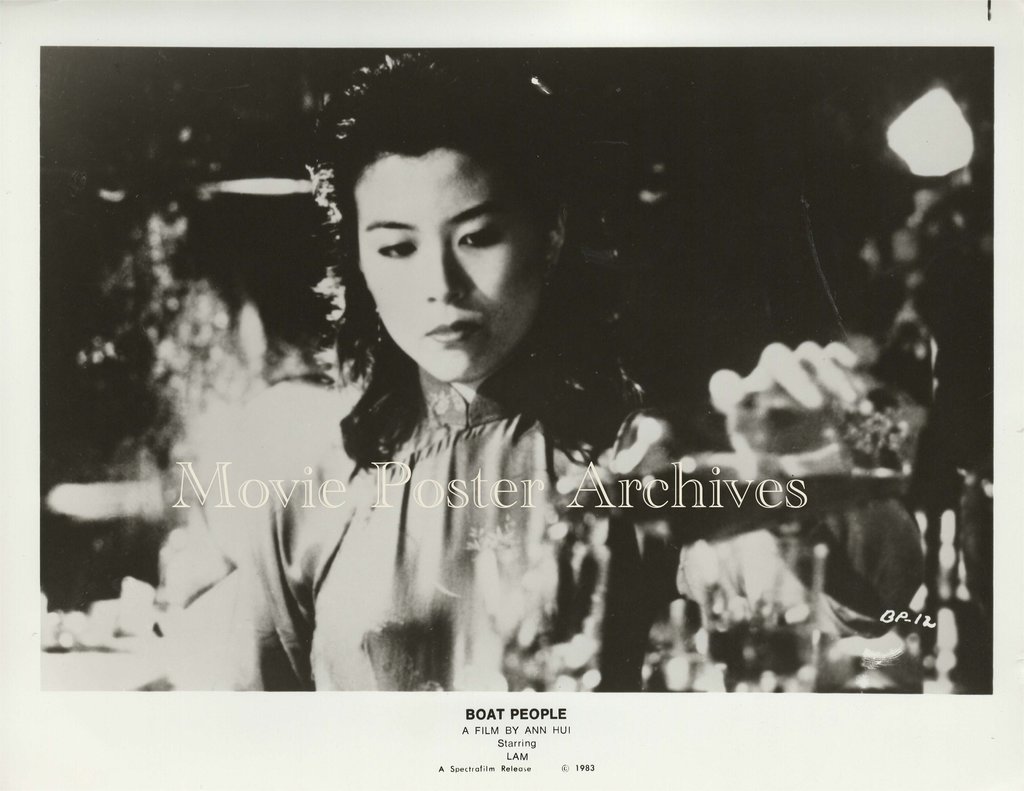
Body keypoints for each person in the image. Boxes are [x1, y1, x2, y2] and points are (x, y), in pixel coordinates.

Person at [217, 53, 922, 691]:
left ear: (550, 232)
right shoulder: (306, 481)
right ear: (360, 260)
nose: (440, 286)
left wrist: (820, 486)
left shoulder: (642, 460)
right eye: (397, 248)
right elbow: (255, 730)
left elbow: (872, 626)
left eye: (478, 237)